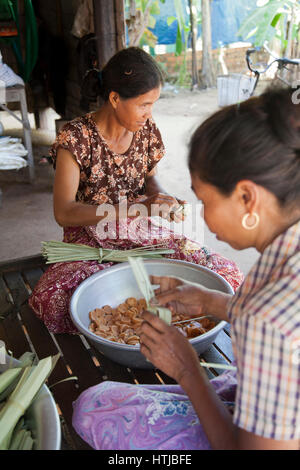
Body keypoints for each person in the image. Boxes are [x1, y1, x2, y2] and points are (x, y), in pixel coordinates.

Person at [72, 86, 300, 450]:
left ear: (246, 197)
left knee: (94, 407)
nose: (202, 215)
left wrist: (187, 370)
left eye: (203, 199)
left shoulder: (266, 322)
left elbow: (272, 323)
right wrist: (210, 301)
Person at [28, 47, 243, 334]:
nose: (148, 113)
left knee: (222, 272)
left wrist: (162, 199)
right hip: (91, 240)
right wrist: (137, 208)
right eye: (143, 104)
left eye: (152, 104)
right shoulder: (76, 137)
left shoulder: (146, 129)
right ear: (115, 98)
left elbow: (150, 181)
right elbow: (64, 213)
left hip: (141, 233)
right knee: (53, 299)